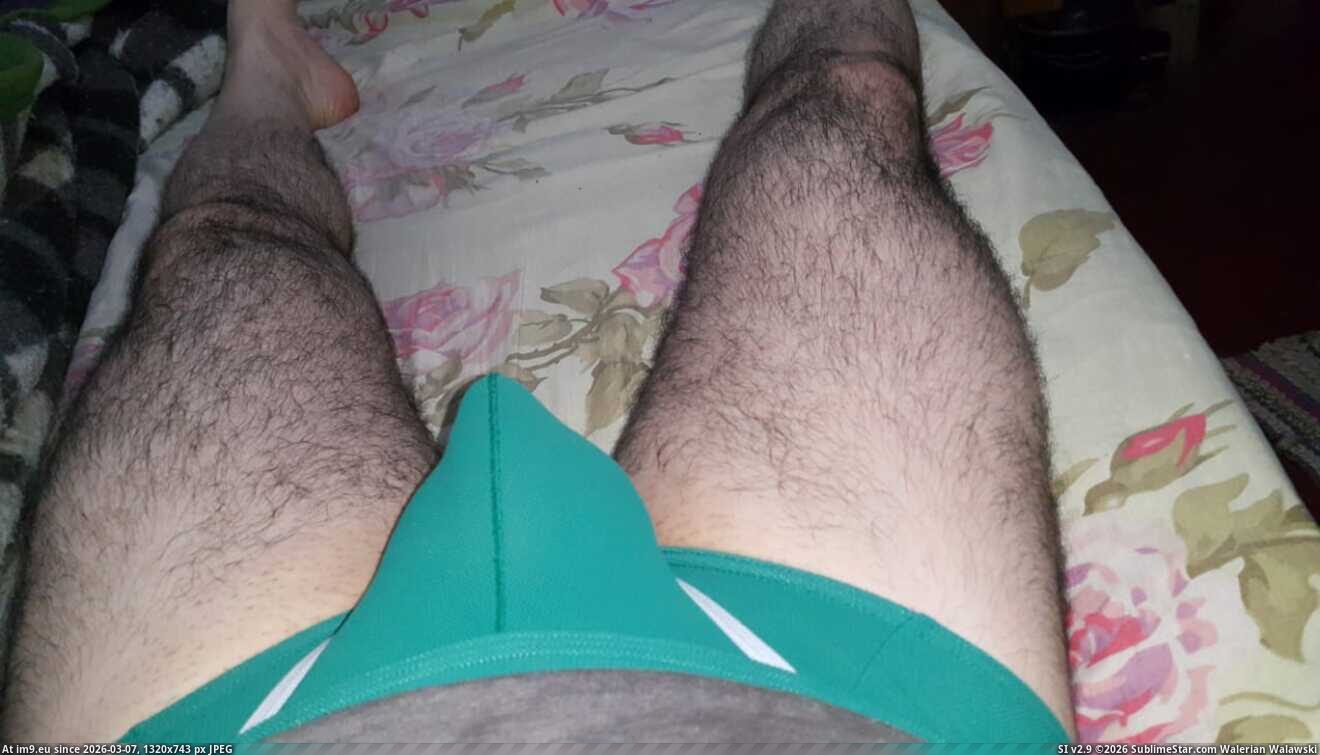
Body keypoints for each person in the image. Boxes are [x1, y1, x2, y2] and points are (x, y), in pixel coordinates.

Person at [4, 0, 1076, 743]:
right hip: (877, 692)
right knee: (842, 104)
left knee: (229, 248)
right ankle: (271, 66)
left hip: (224, 721)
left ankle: (263, 76)